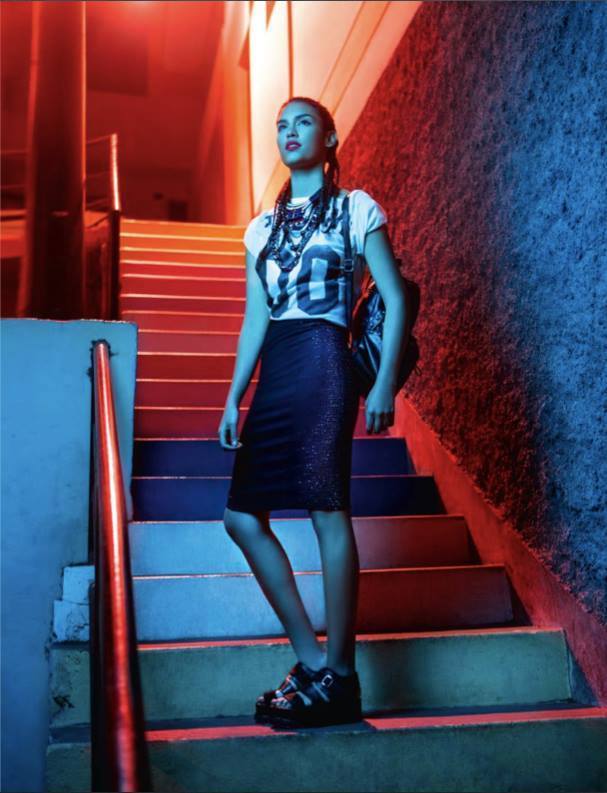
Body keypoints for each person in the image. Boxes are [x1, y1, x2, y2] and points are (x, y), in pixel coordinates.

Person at [218, 96, 408, 728]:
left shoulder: (357, 208)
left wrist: (383, 385)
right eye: (280, 125)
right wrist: (235, 394)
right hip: (278, 365)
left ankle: (342, 675)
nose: (288, 132)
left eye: (302, 122)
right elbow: (255, 318)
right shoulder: (259, 230)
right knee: (240, 518)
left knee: (328, 509)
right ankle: (312, 660)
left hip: (325, 360)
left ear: (329, 138)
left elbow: (395, 297)